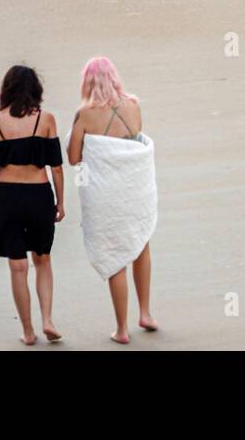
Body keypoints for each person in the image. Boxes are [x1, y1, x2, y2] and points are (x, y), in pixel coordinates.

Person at [68, 57, 158, 344]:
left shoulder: (85, 114)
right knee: (140, 243)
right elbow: (132, 146)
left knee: (115, 255)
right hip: (135, 189)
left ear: (88, 82)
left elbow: (73, 157)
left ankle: (122, 329)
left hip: (107, 195)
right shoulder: (133, 105)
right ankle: (145, 313)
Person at [0, 65, 65, 345]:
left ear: (6, 89)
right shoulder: (47, 119)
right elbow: (57, 168)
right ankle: (48, 320)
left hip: (7, 197)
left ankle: (28, 332)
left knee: (18, 267)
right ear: (35, 90)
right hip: (39, 195)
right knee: (42, 260)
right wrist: (60, 202)